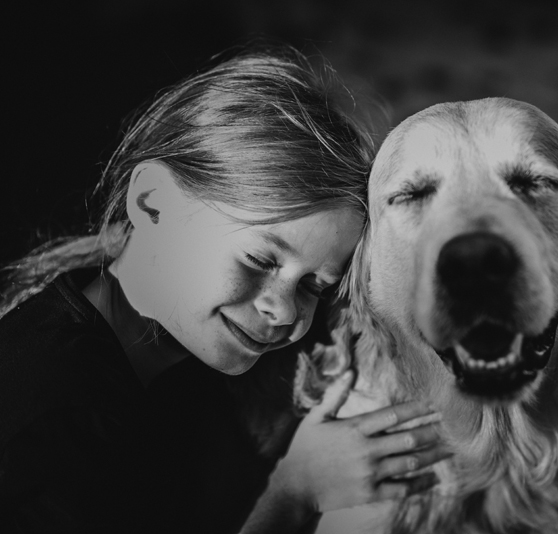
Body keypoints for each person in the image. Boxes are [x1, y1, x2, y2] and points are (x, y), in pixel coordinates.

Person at [0, 45, 448, 534]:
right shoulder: (52, 414)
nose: (284, 310)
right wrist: (294, 491)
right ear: (152, 202)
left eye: (314, 286)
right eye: (259, 260)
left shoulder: (184, 371)